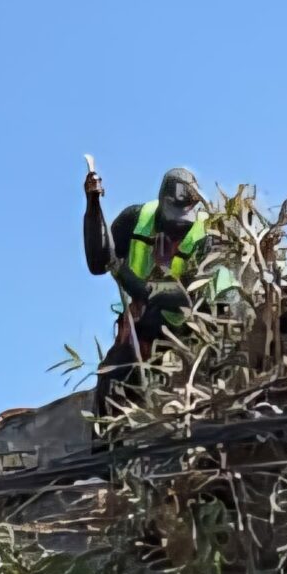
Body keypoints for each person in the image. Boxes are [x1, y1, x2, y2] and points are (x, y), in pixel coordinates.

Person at [83, 163, 212, 414]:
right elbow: (98, 263)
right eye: (172, 219)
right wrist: (93, 205)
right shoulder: (135, 219)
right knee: (110, 379)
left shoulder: (206, 236)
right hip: (139, 330)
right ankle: (106, 449)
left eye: (183, 220)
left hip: (185, 334)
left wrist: (124, 274)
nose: (177, 227)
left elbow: (184, 296)